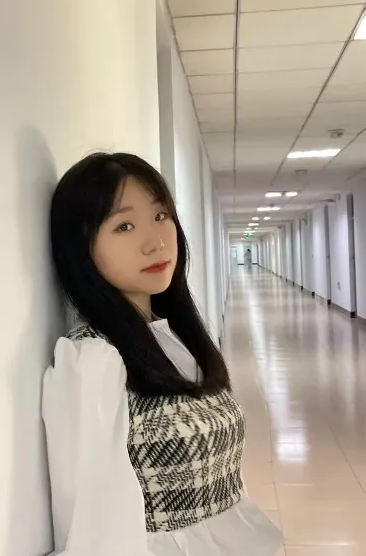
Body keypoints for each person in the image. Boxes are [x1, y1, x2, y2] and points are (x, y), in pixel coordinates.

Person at [43, 152, 283, 556]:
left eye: (161, 216)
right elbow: (92, 523)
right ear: (82, 249)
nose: (156, 241)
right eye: (124, 226)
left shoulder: (176, 337)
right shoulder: (95, 360)